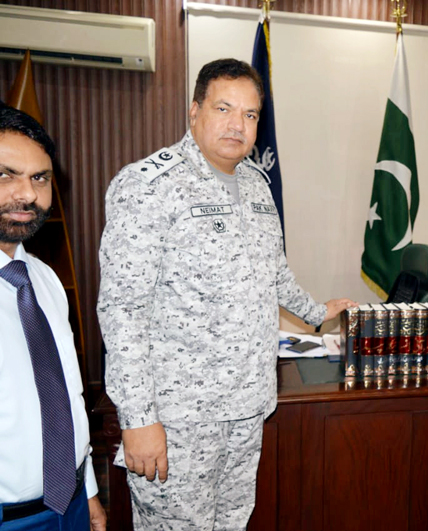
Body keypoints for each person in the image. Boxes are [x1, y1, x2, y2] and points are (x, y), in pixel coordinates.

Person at [97, 59, 355, 530]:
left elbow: (272, 272)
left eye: (251, 114)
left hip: (246, 406)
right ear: (194, 111)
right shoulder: (148, 186)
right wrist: (137, 419)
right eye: (224, 108)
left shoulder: (256, 183)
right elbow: (122, 310)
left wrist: (318, 312)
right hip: (178, 420)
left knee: (232, 523)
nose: (238, 124)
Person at [0, 106, 106, 530]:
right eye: (5, 174)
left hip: (71, 504)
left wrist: (91, 492)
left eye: (39, 178)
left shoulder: (43, 279)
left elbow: (67, 398)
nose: (26, 194)